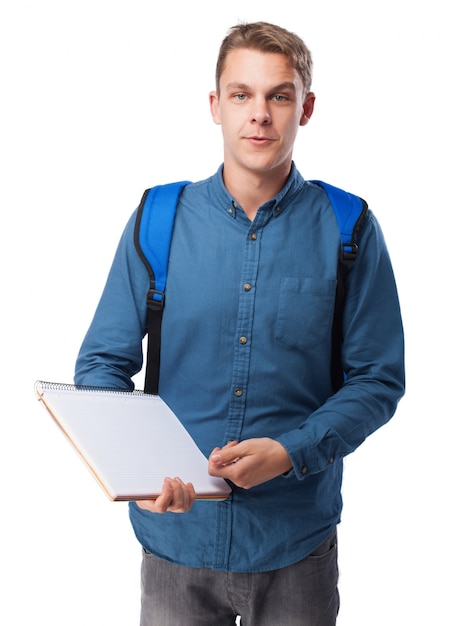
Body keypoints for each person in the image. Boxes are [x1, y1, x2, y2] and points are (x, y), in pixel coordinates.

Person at [75, 21, 405, 626]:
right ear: (215, 105)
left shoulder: (348, 228)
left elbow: (377, 379)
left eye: (279, 96)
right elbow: (102, 364)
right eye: (241, 94)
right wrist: (138, 473)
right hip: (176, 544)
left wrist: (290, 451)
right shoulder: (159, 217)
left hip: (294, 547)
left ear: (305, 108)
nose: (260, 115)